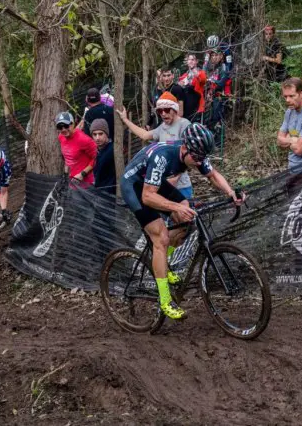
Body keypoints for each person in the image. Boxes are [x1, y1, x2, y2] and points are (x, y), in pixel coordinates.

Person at [120, 123, 244, 319]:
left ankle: (164, 263)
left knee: (185, 218)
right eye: (195, 158)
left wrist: (231, 192)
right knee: (161, 237)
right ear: (185, 148)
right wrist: (176, 207)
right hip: (134, 186)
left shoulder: (196, 154)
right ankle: (165, 301)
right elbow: (147, 197)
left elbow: (212, 175)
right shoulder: (164, 156)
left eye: (201, 159)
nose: (198, 163)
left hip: (154, 182)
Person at [117, 92, 194, 199]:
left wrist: (176, 177)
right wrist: (125, 120)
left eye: (166, 110)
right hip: (164, 182)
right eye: (159, 111)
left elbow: (189, 153)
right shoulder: (162, 127)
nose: (163, 114)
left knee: (186, 213)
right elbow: (144, 135)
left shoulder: (184, 124)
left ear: (175, 109)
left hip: (181, 185)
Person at [56, 111, 97, 187]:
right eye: (60, 127)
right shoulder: (61, 137)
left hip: (86, 184)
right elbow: (67, 157)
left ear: (72, 124)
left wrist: (82, 174)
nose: (63, 129)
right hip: (71, 182)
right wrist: (65, 173)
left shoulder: (84, 140)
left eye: (66, 125)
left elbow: (97, 158)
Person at [204, 49, 232, 131]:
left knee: (216, 116)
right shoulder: (208, 68)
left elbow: (221, 83)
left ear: (220, 56)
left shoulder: (223, 68)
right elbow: (203, 76)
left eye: (216, 55)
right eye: (212, 55)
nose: (214, 57)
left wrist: (211, 81)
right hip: (207, 97)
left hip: (218, 97)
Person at [178, 53, 207, 123]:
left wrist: (194, 71)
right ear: (187, 62)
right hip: (185, 107)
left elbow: (203, 80)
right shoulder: (184, 75)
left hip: (196, 107)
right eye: (189, 60)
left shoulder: (201, 72)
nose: (191, 61)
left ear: (196, 61)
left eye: (193, 60)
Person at [90, 118, 116, 193]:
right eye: (94, 134)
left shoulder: (111, 150)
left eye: (100, 134)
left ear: (106, 134)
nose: (97, 138)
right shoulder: (98, 150)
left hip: (109, 195)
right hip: (100, 193)